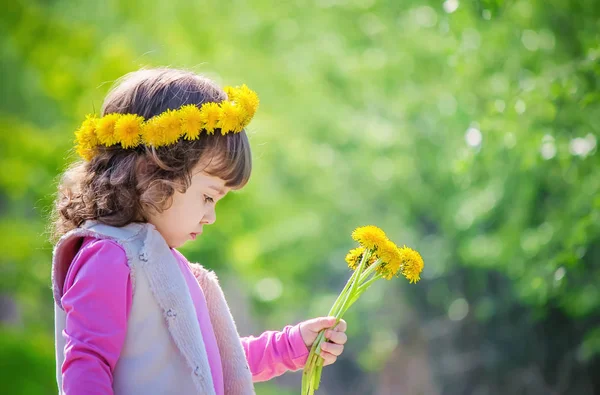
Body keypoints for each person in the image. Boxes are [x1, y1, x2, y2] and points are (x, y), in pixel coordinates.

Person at [50, 67, 347, 394]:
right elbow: (86, 366)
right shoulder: (109, 257)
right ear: (153, 169)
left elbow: (212, 364)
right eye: (207, 196)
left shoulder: (171, 269)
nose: (211, 216)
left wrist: (291, 345)